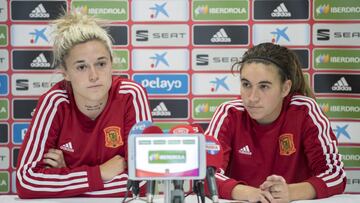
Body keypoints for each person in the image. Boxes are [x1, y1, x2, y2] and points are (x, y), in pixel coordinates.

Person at [16, 11, 152, 198]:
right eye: (81, 67)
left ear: (112, 64)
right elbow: (26, 180)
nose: (94, 75)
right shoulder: (55, 101)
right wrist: (100, 173)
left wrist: (68, 179)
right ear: (66, 73)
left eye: (101, 64)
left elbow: (143, 182)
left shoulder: (131, 95)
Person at [205, 43, 346, 202]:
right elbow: (204, 176)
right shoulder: (229, 113)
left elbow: (335, 175)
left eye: (264, 86)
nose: (252, 97)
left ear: (285, 88)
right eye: (246, 84)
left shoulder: (305, 111)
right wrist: (251, 193)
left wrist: (290, 193)